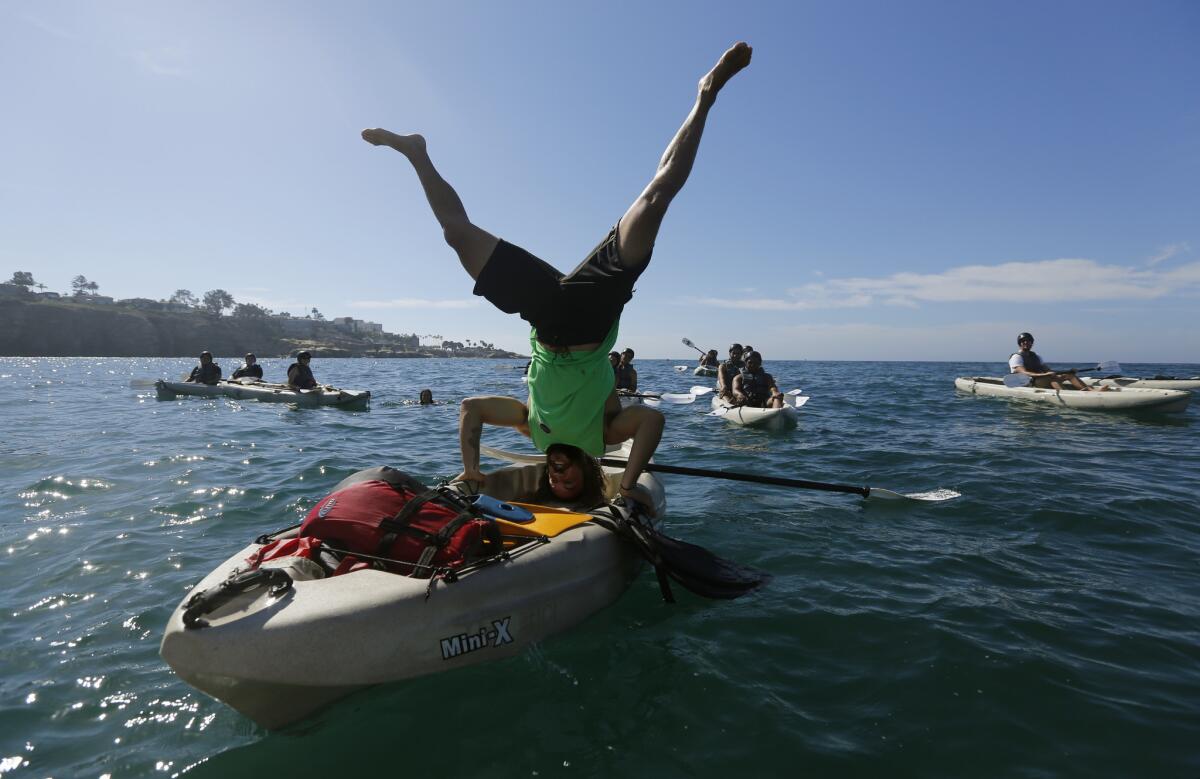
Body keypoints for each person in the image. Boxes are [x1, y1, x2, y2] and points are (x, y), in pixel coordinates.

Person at [364, 42, 753, 512]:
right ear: (587, 473)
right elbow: (651, 422)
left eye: (555, 480)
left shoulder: (531, 425)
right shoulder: (603, 435)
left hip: (546, 319)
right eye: (569, 481)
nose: (559, 475)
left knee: (455, 234)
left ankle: (416, 152)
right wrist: (628, 483)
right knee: (657, 196)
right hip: (594, 313)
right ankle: (706, 93)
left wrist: (470, 468)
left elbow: (471, 409)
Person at [1008, 332, 1103, 391]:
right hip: (1028, 383)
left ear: (1031, 343)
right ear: (1019, 343)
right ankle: (1067, 395)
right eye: (1023, 341)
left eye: (1028, 341)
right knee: (1051, 378)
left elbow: (1048, 370)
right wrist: (1046, 374)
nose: (1026, 343)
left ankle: (1091, 391)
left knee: (1069, 375)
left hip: (1041, 380)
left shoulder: (1036, 356)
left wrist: (1068, 372)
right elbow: (1025, 373)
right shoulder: (1016, 357)